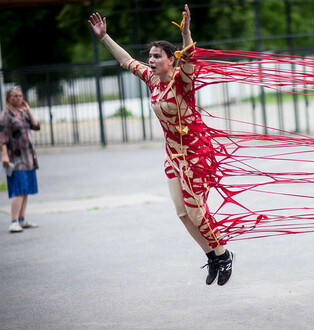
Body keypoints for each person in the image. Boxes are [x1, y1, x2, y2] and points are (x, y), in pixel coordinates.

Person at [88, 4, 234, 285]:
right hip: (173, 155)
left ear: (171, 59)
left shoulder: (183, 82)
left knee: (196, 211)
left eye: (157, 56)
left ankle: (225, 254)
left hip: (197, 153)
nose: (151, 60)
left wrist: (187, 32)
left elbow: (190, 56)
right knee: (182, 213)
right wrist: (104, 37)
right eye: (150, 56)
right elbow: (126, 60)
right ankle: (213, 256)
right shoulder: (152, 80)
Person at [1, 86, 40, 233]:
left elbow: (36, 126)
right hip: (15, 158)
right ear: (8, 98)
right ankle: (13, 221)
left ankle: (22, 219)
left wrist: (28, 110)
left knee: (25, 189)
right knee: (18, 189)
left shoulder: (22, 114)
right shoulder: (6, 115)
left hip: (28, 157)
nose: (19, 99)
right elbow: (2, 137)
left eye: (20, 96)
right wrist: (4, 155)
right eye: (15, 96)